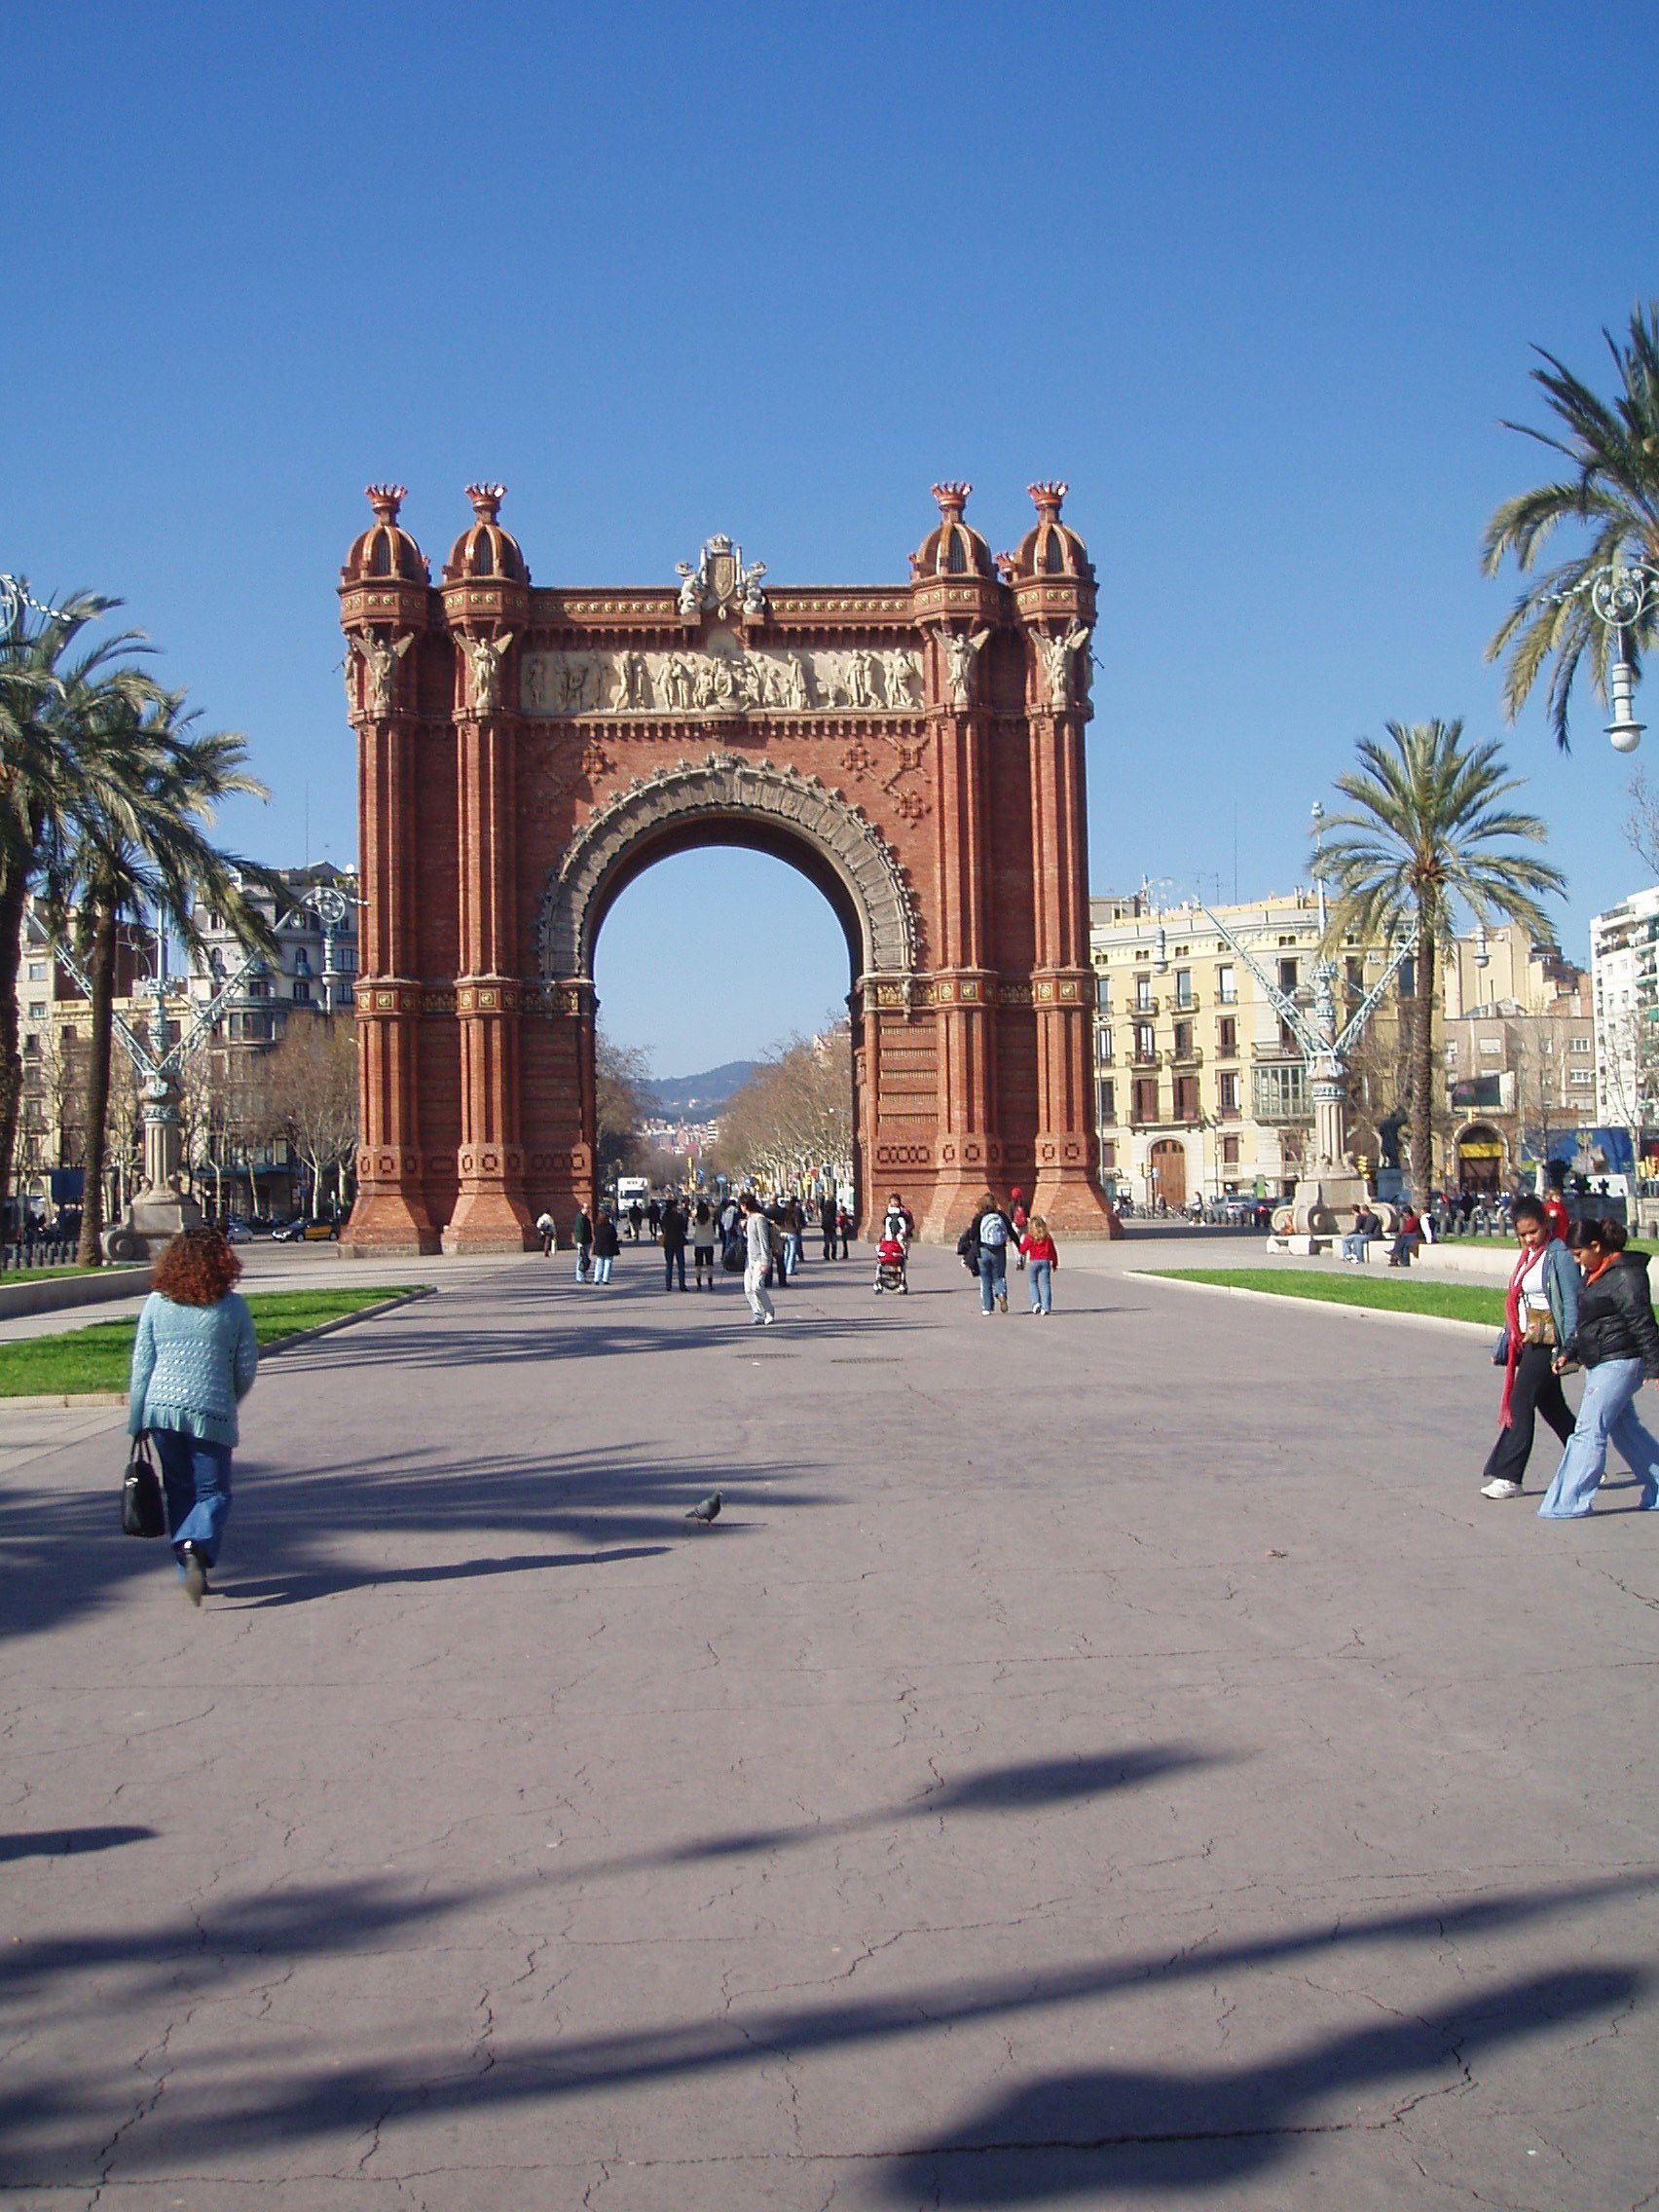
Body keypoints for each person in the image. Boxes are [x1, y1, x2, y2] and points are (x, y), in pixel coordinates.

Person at [127, 1225, 259, 1607]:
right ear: (223, 1264)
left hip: (161, 1410)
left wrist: (137, 1420)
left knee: (181, 1490)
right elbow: (246, 1366)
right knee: (214, 1493)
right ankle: (194, 1542)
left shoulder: (157, 1302)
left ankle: (189, 1569)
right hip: (211, 1410)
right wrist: (227, 1397)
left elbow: (143, 1365)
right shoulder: (232, 1307)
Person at [1537, 1218, 1659, 1520]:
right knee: (1624, 1427)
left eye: (1579, 1254)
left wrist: (1655, 1367)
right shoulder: (1595, 1275)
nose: (1576, 1261)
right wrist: (1568, 1351)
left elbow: (1643, 1322)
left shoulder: (1625, 1276)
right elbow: (1587, 1323)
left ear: (1597, 1246)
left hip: (1621, 1360)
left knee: (1589, 1431)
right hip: (1602, 1359)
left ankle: (1569, 1501)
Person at [1478, 1196, 1580, 1501]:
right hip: (1527, 1339)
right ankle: (1586, 1458)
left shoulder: (1558, 1254)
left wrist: (1569, 1347)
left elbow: (1571, 1303)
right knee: (1551, 1406)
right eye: (1522, 1234)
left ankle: (1510, 1476)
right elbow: (1518, 1301)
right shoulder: (1527, 1256)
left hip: (1548, 1341)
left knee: (1520, 1402)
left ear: (1545, 1224)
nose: (1527, 1238)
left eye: (1533, 1231)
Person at [971, 1192, 1015, 1315]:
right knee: (999, 1277)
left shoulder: (979, 1217)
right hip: (999, 1250)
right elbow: (1011, 1231)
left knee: (985, 1279)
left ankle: (987, 1307)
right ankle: (1001, 1293)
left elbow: (972, 1235)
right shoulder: (1000, 1215)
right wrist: (1019, 1246)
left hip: (983, 1251)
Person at [740, 1193, 776, 1326]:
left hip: (760, 1258)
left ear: (745, 1205)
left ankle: (769, 1311)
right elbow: (749, 1239)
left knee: (758, 1286)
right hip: (750, 1259)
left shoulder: (759, 1219)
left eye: (742, 1205)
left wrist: (766, 1261)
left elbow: (763, 1241)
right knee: (748, 1288)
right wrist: (743, 1228)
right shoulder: (748, 1219)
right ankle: (758, 1313)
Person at [1019, 1213, 1059, 1315]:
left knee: (1033, 1282)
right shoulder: (1047, 1238)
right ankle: (1046, 1307)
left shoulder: (1030, 1237)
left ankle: (1036, 1302)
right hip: (1045, 1261)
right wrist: (1055, 1263)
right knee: (1045, 1284)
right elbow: (1053, 1251)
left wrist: (1022, 1247)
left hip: (1033, 1262)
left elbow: (1022, 1250)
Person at [661, 1197, 688, 1291]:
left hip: (668, 1242)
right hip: (678, 1242)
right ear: (673, 1208)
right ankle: (682, 1285)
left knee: (669, 1265)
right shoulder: (679, 1217)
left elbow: (662, 1228)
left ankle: (668, 1285)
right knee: (681, 1265)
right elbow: (684, 1228)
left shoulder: (665, 1217)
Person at [591, 1203, 620, 1284]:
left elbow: (595, 1235)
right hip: (609, 1247)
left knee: (599, 1262)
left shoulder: (597, 1227)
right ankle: (605, 1279)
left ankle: (596, 1279)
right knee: (608, 1263)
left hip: (599, 1247)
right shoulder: (610, 1227)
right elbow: (615, 1235)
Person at [691, 1200, 717, 1289]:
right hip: (709, 1243)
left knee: (698, 1265)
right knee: (709, 1264)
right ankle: (710, 1283)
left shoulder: (696, 1220)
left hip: (698, 1244)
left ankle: (699, 1284)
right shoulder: (711, 1220)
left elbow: (693, 1215)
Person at [1386, 1203, 1421, 1267]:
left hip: (1415, 1236)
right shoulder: (1407, 1220)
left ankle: (1394, 1253)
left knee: (1402, 1238)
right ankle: (1399, 1259)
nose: (1404, 1215)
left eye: (1404, 1213)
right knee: (1403, 1242)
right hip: (1408, 1237)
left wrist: (1401, 1234)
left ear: (1408, 1213)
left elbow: (1409, 1229)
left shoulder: (1414, 1220)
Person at [782, 1196, 805, 1277]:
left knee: (786, 1251)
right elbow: (798, 1221)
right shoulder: (797, 1210)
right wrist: (799, 1229)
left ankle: (783, 1268)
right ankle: (790, 1269)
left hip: (784, 1231)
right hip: (792, 1232)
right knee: (792, 1252)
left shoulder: (784, 1209)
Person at [572, 1202, 593, 1282]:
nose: (588, 1210)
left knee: (584, 1259)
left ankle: (582, 1277)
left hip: (586, 1241)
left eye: (588, 1208)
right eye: (587, 1208)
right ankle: (580, 1277)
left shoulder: (583, 1217)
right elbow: (579, 1231)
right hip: (583, 1241)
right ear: (582, 1208)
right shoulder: (580, 1218)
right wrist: (580, 1242)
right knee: (581, 1259)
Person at [820, 1193, 837, 1260]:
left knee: (827, 1242)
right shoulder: (833, 1210)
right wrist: (833, 1197)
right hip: (832, 1226)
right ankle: (833, 1256)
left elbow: (821, 1205)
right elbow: (835, 1205)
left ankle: (826, 1256)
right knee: (833, 1242)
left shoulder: (824, 1210)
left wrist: (823, 1197)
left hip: (826, 1227)